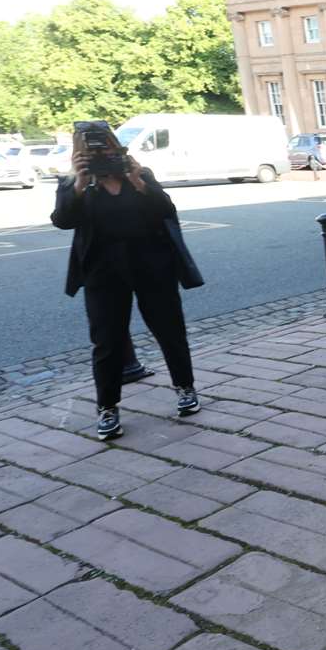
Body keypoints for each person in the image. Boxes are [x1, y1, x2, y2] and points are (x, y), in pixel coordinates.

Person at [51, 143, 204, 441]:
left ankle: (185, 387)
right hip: (103, 273)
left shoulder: (140, 175)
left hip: (153, 267)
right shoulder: (75, 183)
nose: (103, 158)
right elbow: (63, 220)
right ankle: (107, 407)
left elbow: (166, 210)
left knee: (170, 330)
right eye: (95, 154)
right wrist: (80, 183)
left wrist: (137, 179)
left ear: (119, 151)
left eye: (109, 152)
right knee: (106, 340)